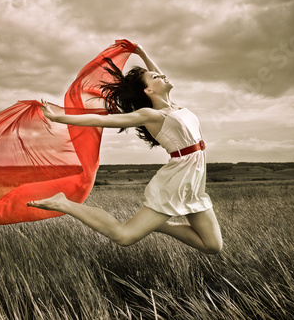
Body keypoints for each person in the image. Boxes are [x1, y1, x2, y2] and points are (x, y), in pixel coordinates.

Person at [27, 44, 223, 254]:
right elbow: (101, 119)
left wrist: (143, 53)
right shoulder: (151, 115)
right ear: (148, 90)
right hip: (177, 180)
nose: (163, 76)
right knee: (124, 236)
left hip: (194, 182)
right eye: (156, 78)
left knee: (212, 245)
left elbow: (158, 77)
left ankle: (158, 224)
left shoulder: (173, 107)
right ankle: (63, 204)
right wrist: (59, 117)